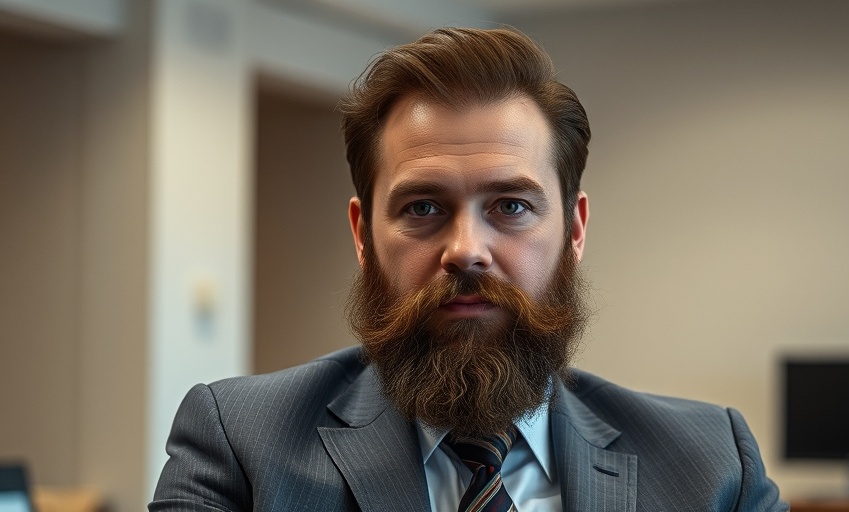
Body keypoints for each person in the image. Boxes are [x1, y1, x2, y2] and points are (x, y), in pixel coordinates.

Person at [150, 27, 788, 511]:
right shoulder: (243, 448)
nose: (467, 249)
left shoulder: (711, 468)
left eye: (510, 206)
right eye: (423, 207)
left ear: (573, 230)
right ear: (362, 235)